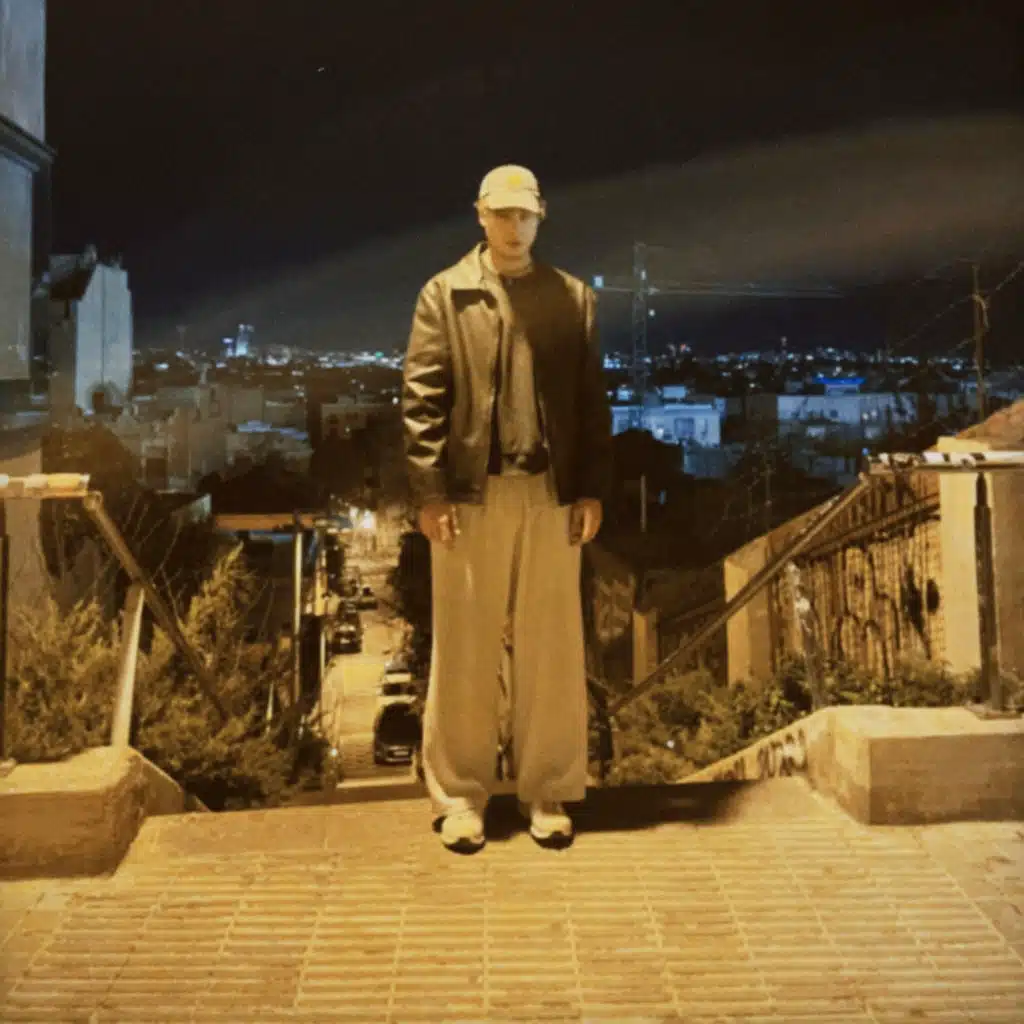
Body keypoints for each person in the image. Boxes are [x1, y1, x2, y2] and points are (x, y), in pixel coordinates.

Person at [402, 164, 612, 853]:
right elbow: (422, 401)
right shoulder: (445, 294)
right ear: (481, 215)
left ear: (540, 216)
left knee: (552, 647)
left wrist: (590, 488)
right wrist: (430, 493)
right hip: (473, 494)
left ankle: (547, 790)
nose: (514, 227)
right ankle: (460, 798)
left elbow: (591, 402)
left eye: (524, 215)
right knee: (464, 645)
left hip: (550, 493)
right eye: (502, 215)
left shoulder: (573, 298)